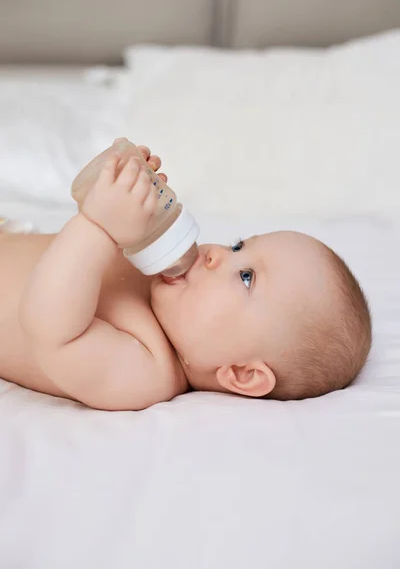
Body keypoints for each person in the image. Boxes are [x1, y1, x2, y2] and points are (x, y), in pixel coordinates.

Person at [0, 141, 372, 410]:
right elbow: (72, 257)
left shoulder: (146, 373)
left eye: (246, 277)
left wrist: (98, 226)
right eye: (238, 246)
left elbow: (48, 328)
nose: (218, 255)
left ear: (242, 373)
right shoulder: (159, 281)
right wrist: (131, 198)